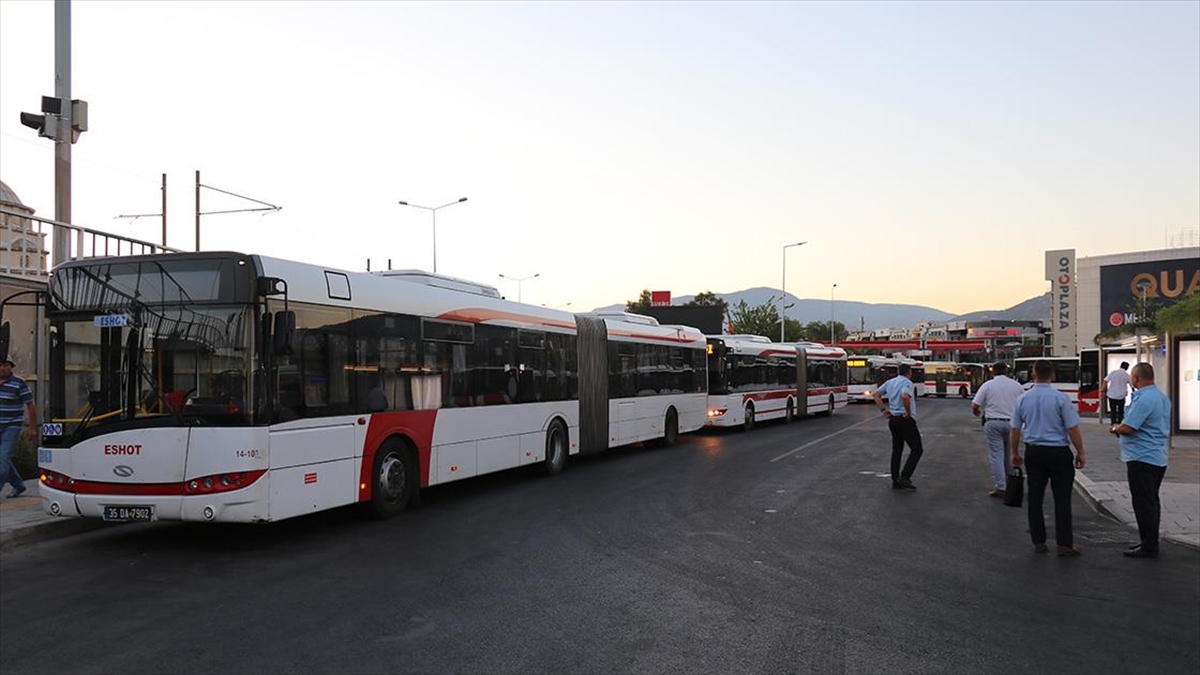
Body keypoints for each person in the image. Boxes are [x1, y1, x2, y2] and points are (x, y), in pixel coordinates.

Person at [1009, 359, 1087, 556]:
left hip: (1034, 452)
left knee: (1035, 497)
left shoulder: (1022, 399)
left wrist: (1014, 452)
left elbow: (1015, 429)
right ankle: (1065, 544)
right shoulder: (1060, 398)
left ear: (1033, 375)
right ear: (1052, 375)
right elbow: (1072, 428)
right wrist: (1081, 451)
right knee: (1062, 498)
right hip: (1058, 452)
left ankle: (1039, 541)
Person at [1109, 363, 1171, 559]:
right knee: (1151, 501)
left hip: (1142, 457)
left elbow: (1129, 427)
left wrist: (1115, 429)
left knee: (1143, 503)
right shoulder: (1161, 397)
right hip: (1157, 456)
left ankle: (1149, 546)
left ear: (1136, 378)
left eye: (1132, 379)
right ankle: (1148, 541)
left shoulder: (1144, 399)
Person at [971, 361, 1026, 499]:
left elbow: (975, 404)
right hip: (1013, 424)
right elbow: (1023, 405)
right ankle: (1010, 483)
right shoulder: (1017, 386)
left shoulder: (988, 385)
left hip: (993, 423)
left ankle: (1001, 487)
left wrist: (977, 411)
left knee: (997, 455)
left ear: (993, 371)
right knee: (1010, 454)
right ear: (1006, 371)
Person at [873, 363, 923, 490]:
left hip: (893, 419)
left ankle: (895, 480)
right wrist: (908, 412)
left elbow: (876, 394)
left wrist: (883, 410)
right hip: (905, 419)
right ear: (909, 372)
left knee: (897, 450)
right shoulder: (908, 383)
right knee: (917, 449)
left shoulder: (890, 382)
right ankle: (905, 476)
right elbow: (905, 396)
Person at [0, 357, 37, 498]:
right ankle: (18, 485)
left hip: (11, 426)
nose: (3, 368)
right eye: (1, 365)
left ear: (11, 367)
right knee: (4, 460)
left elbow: (30, 404)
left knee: (2, 459)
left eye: (6, 365)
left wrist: (32, 427)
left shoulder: (19, 383)